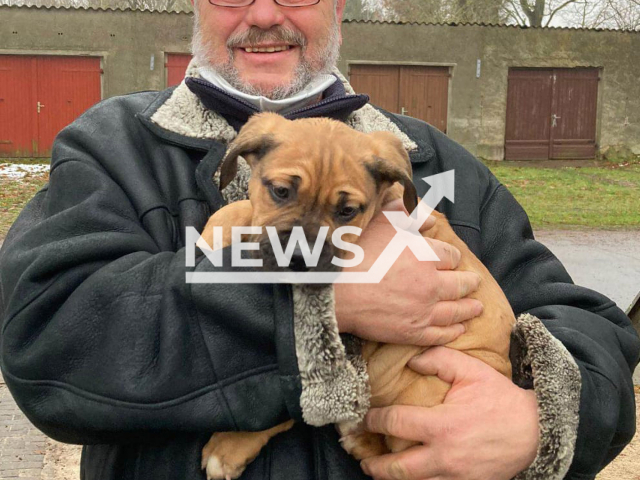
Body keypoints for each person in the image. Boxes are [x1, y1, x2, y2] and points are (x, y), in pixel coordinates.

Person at [0, 0, 638, 479]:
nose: (265, 13)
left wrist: (540, 423)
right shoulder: (112, 146)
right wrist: (320, 300)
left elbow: (589, 324)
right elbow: (48, 332)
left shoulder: (431, 166)